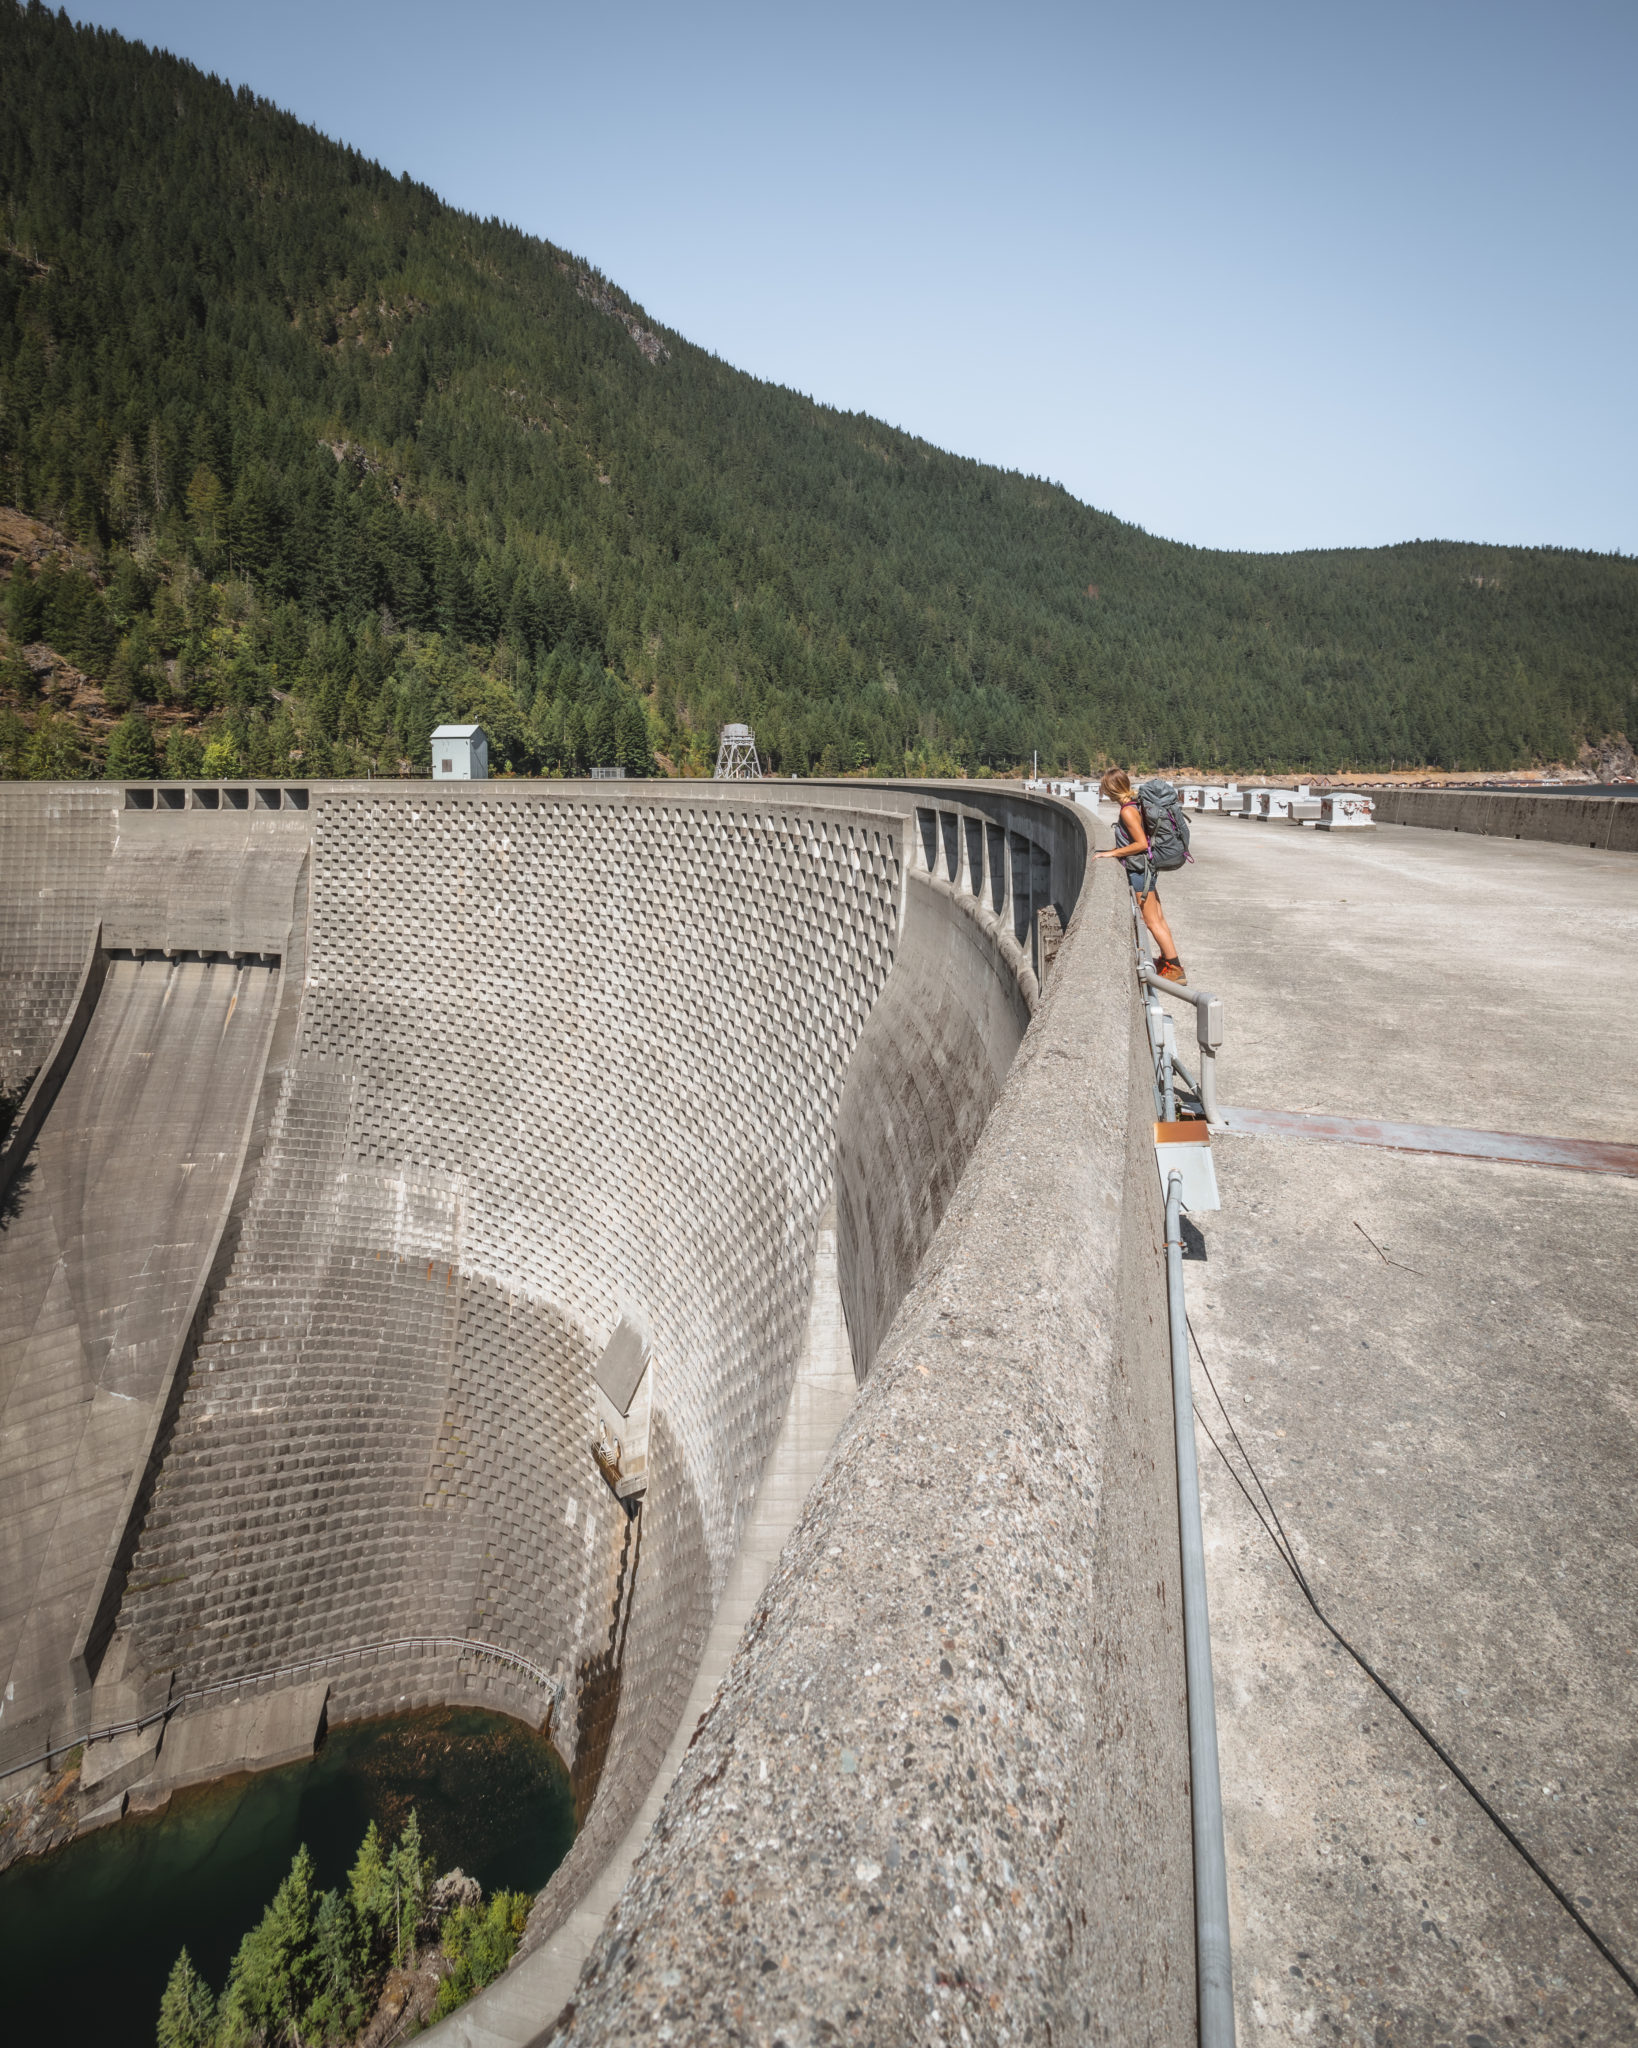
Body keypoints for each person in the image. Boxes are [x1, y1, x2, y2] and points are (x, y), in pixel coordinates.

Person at [1091, 769, 1187, 982]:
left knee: (1151, 921)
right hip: (1146, 869)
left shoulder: (1128, 810)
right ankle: (1168, 961)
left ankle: (1176, 969)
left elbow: (1141, 844)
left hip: (1139, 871)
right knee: (1158, 918)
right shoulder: (1134, 804)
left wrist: (1112, 853)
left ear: (1110, 789)